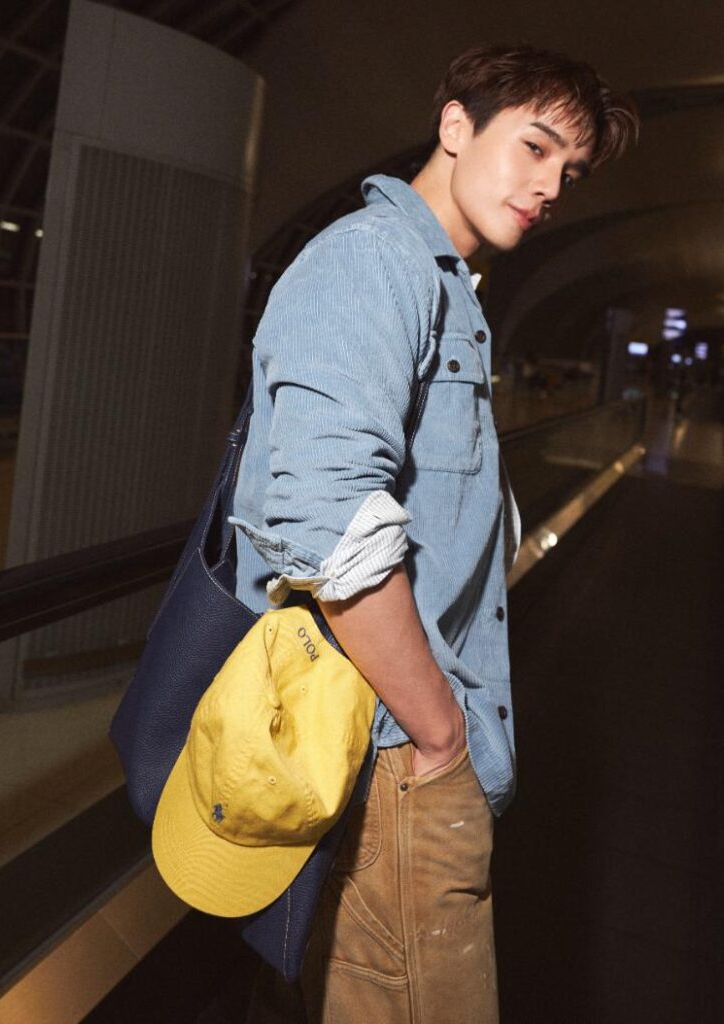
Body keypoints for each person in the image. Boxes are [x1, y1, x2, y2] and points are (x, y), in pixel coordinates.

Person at [232, 43, 638, 1023]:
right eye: (534, 147)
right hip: (391, 759)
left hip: (402, 753)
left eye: (570, 171)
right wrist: (439, 734)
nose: (551, 188)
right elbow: (330, 525)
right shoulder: (374, 262)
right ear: (456, 125)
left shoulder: (445, 284)